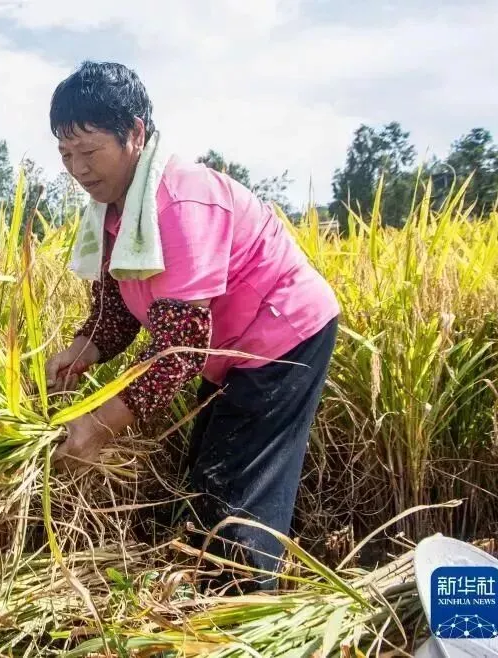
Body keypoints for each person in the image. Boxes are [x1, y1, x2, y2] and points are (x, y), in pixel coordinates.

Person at [45, 61, 341, 590]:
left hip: (280, 336)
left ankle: (250, 619)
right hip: (228, 346)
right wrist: (82, 349)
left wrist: (96, 425)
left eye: (89, 152)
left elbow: (178, 347)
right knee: (210, 474)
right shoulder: (115, 210)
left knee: (235, 491)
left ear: (135, 133)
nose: (79, 169)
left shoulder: (178, 202)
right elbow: (116, 304)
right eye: (67, 155)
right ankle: (224, 599)